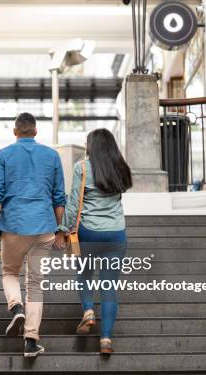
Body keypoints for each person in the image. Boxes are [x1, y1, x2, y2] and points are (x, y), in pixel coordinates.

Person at [0, 112, 66, 358]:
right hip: (44, 226)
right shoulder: (52, 156)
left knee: (10, 272)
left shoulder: (2, 155)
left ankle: (16, 306)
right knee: (35, 283)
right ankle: (31, 340)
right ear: (36, 132)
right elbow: (59, 198)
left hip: (15, 225)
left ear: (15, 132)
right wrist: (59, 228)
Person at [55, 128, 132, 355]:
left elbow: (72, 204)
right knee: (109, 289)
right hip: (116, 233)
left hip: (89, 232)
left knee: (84, 273)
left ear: (91, 147)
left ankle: (88, 311)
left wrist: (63, 229)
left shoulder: (82, 168)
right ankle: (106, 340)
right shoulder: (121, 169)